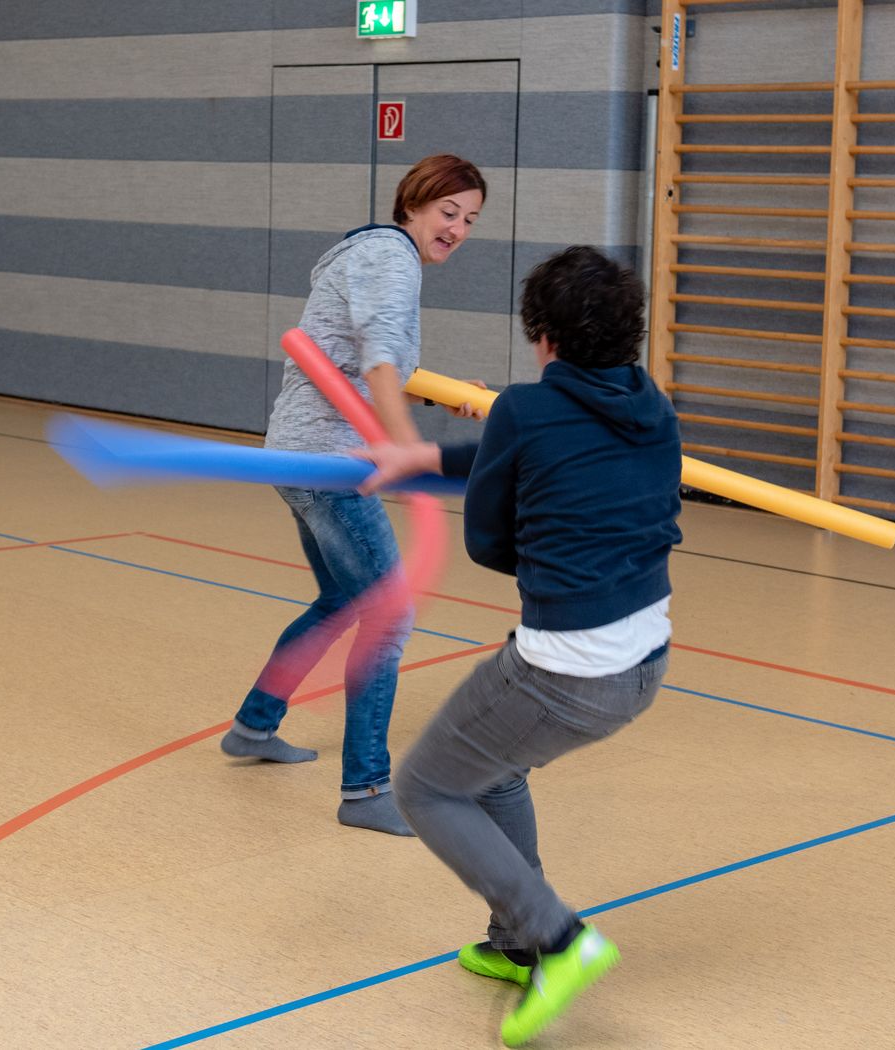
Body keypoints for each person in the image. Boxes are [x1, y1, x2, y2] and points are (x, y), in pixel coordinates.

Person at [362, 246, 682, 1045]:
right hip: (644, 660)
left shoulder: (523, 411)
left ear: (544, 337)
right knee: (493, 766)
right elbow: (532, 456)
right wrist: (431, 455)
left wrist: (497, 476)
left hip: (566, 669)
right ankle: (514, 942)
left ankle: (560, 938)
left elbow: (490, 542)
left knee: (427, 787)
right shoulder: (653, 404)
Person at [220, 154, 486, 838]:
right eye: (447, 212)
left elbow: (378, 362)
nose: (456, 228)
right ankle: (365, 789)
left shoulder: (369, 254)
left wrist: (447, 398)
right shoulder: (392, 260)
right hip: (331, 461)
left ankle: (254, 726)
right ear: (414, 205)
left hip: (298, 450)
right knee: (389, 614)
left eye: (470, 219)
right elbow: (375, 357)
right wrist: (404, 450)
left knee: (343, 598)